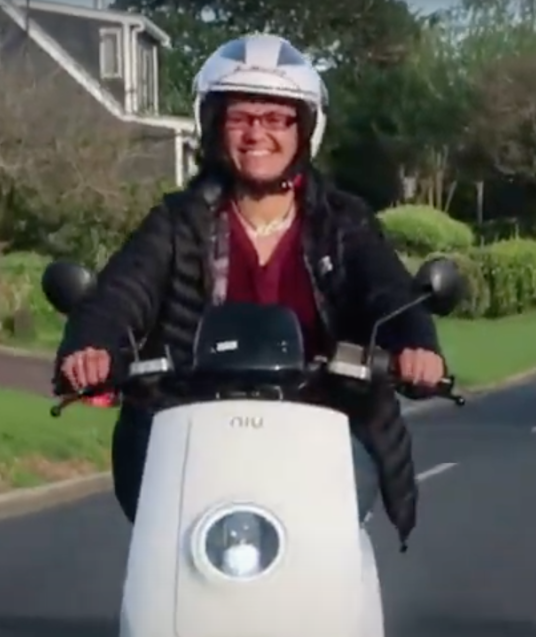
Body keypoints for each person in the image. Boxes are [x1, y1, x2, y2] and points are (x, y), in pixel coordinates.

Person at [54, 33, 446, 549]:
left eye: (277, 118)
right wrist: (93, 346)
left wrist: (416, 346)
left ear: (305, 130)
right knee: (169, 559)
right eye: (240, 117)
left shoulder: (343, 223)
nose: (257, 133)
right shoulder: (177, 222)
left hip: (325, 427)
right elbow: (123, 292)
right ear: (215, 127)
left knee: (329, 551)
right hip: (190, 432)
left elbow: (388, 293)